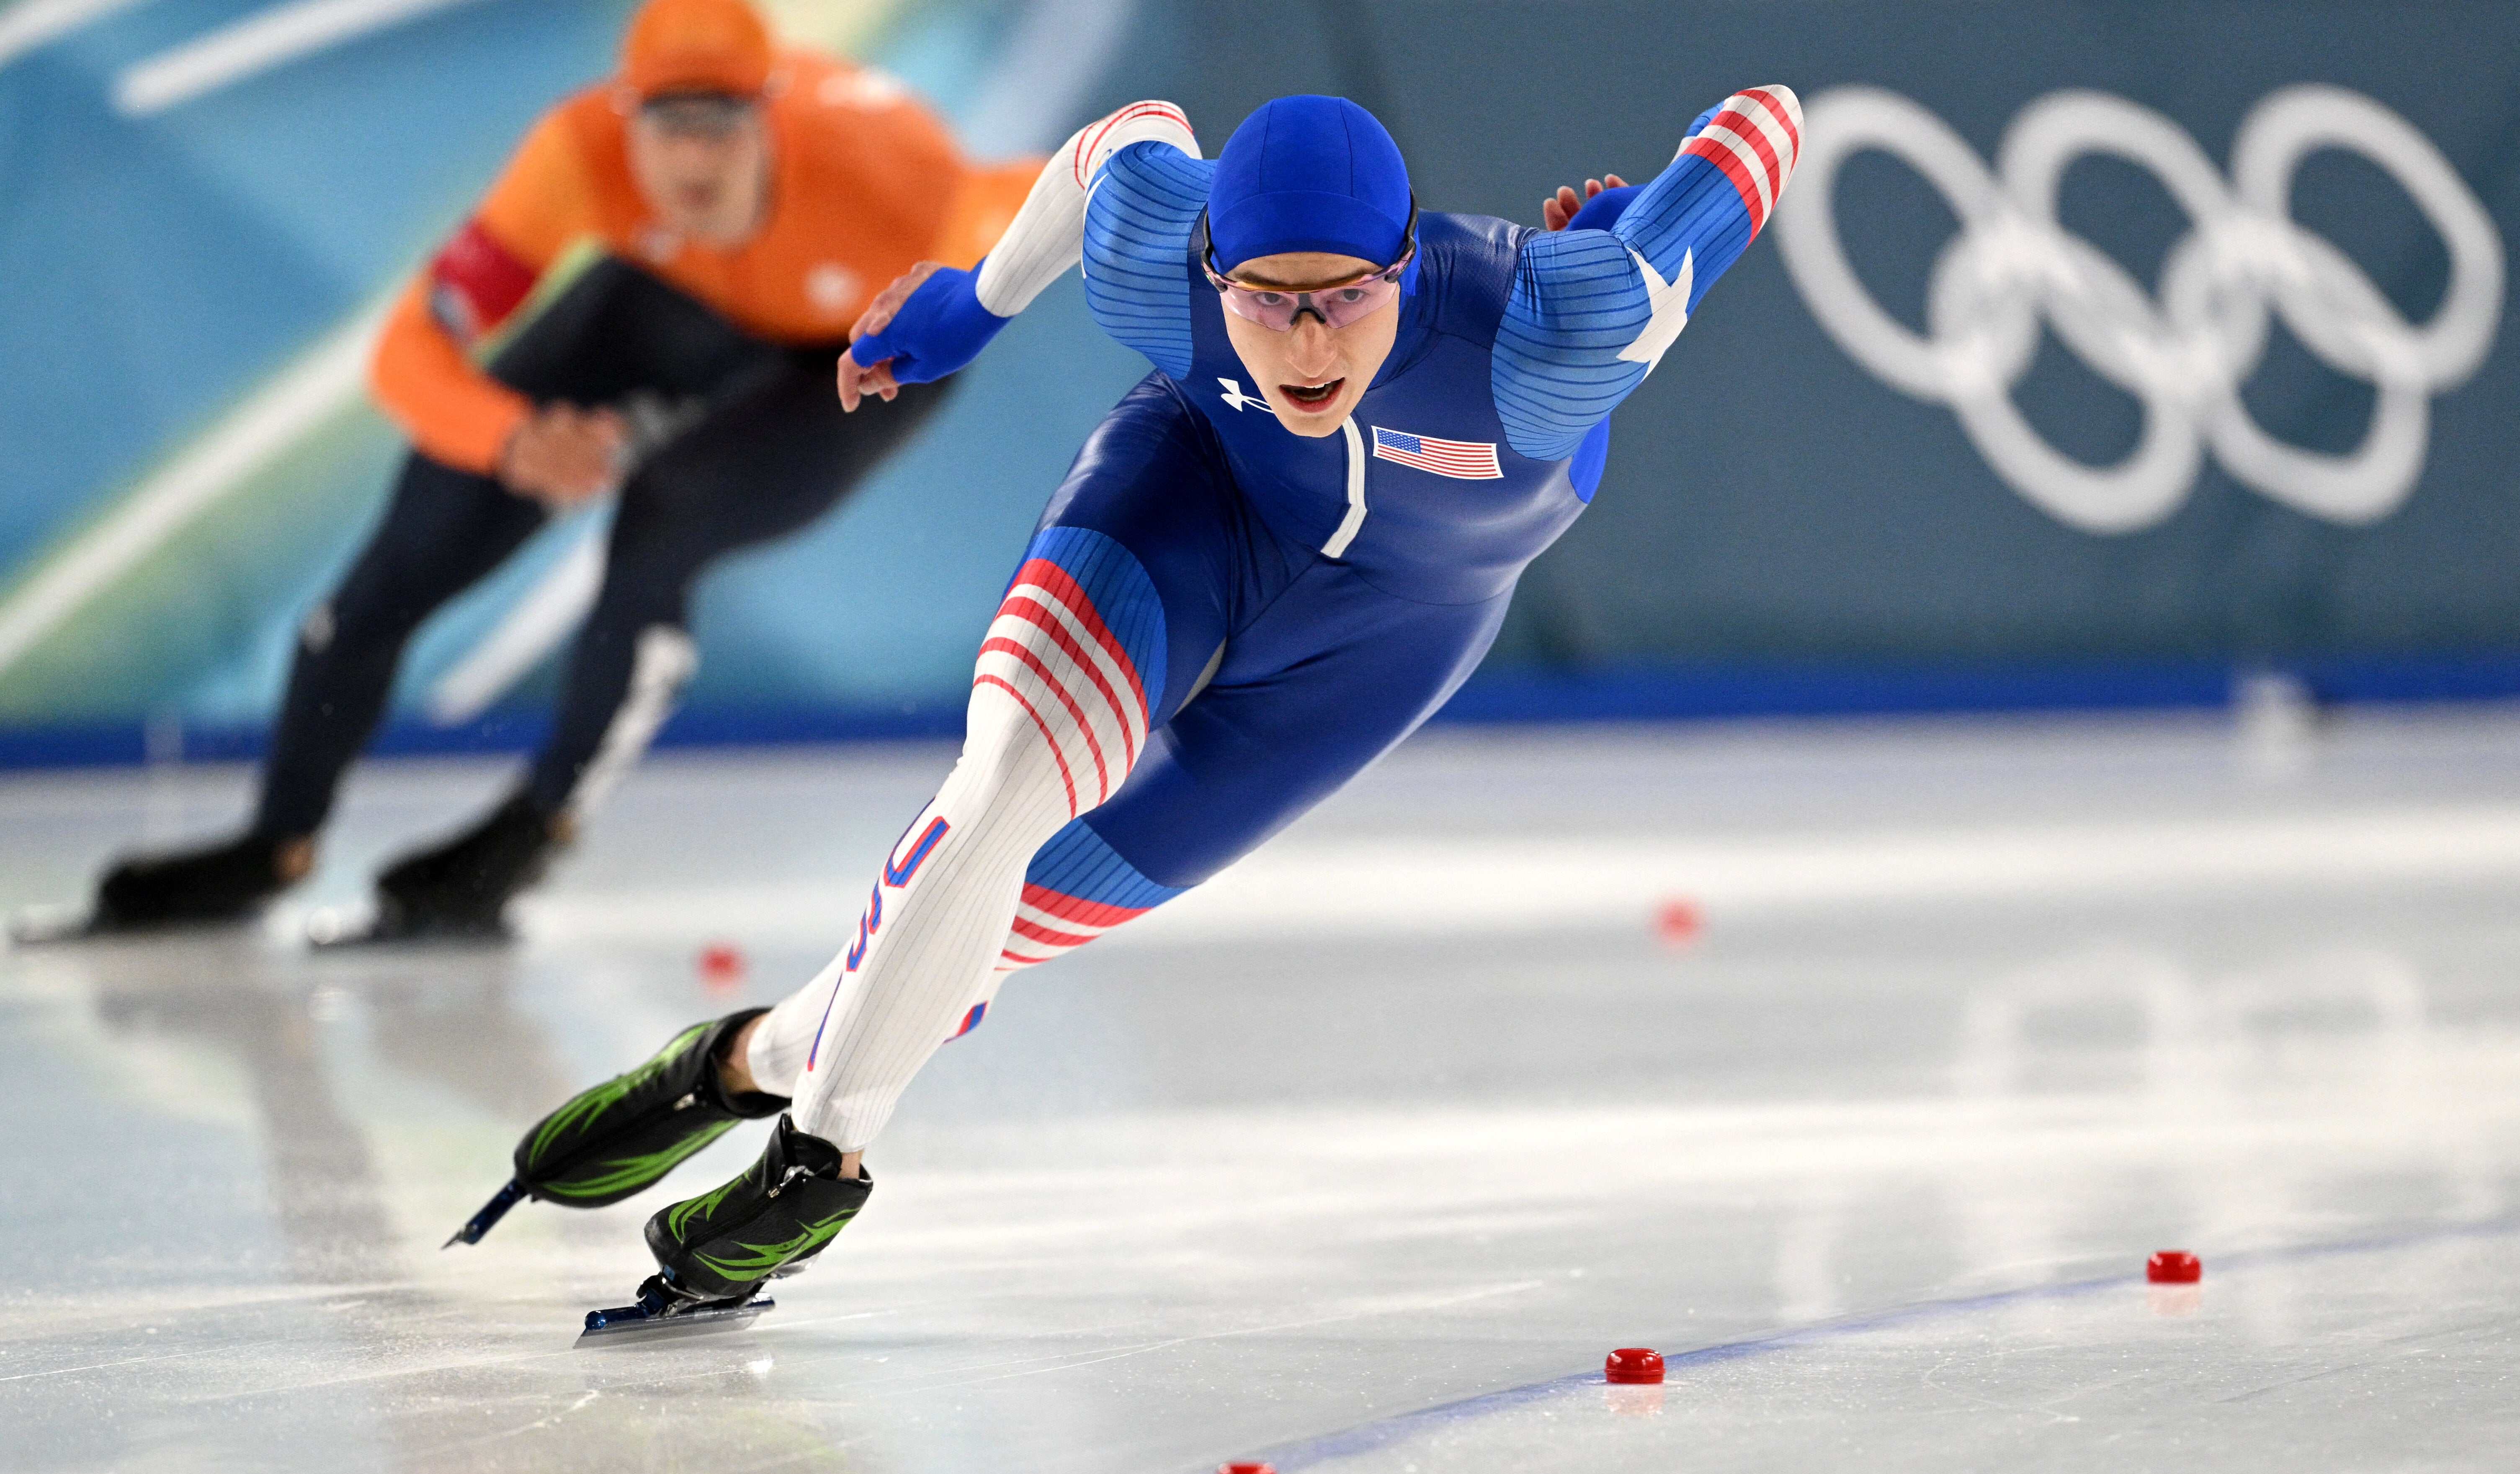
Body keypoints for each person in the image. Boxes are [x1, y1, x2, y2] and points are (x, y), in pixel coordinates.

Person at [456, 85, 1805, 1320]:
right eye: (1265, 301)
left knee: (996, 935)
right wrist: (972, 304)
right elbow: (1117, 141)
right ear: (1208, 270)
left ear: (1405, 272)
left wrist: (1640, 224)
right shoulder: (1152, 250)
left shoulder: (1565, 322)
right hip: (1187, 507)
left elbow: (1767, 121)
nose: (1307, 340)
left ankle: (739, 1063)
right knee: (1000, 786)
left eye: (1344, 298)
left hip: (1389, 633)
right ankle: (821, 1162)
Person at [78, 0, 1035, 941]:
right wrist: (510, 436)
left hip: (855, 353)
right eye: (668, 127)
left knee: (667, 518)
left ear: (772, 118)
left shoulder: (898, 174)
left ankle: (535, 829)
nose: (695, 159)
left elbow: (1059, 196)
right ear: (625, 122)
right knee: (407, 551)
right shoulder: (579, 157)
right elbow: (406, 353)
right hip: (671, 298)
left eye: (723, 127)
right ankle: (275, 840)